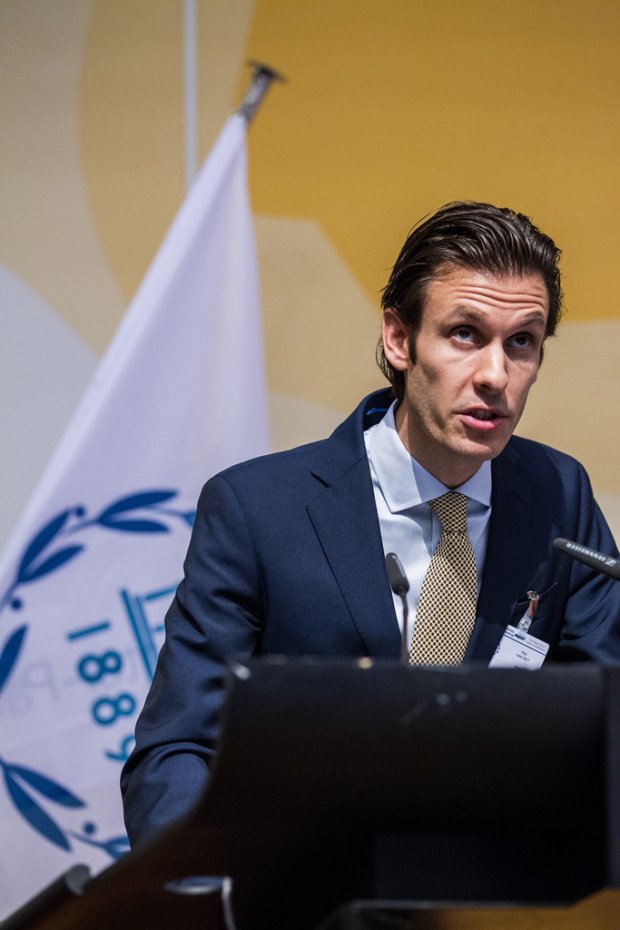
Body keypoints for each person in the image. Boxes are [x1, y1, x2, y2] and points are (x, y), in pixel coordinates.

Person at [121, 200, 619, 846]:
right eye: (466, 333)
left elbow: (607, 725)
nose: (496, 375)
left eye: (521, 342)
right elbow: (177, 751)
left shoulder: (559, 495)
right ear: (399, 338)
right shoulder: (258, 512)